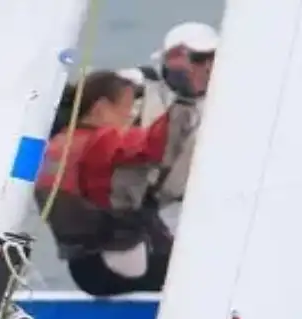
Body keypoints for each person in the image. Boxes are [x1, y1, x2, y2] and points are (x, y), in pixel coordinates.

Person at [35, 70, 190, 297]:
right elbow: (153, 144)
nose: (130, 117)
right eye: (126, 110)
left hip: (85, 267)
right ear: (100, 109)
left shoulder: (59, 143)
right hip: (117, 264)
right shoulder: (98, 141)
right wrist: (185, 104)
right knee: (199, 271)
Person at [112, 22, 217, 218]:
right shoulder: (136, 85)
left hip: (174, 210)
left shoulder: (223, 105)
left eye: (211, 57)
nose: (206, 66)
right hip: (118, 204)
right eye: (197, 58)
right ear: (169, 59)